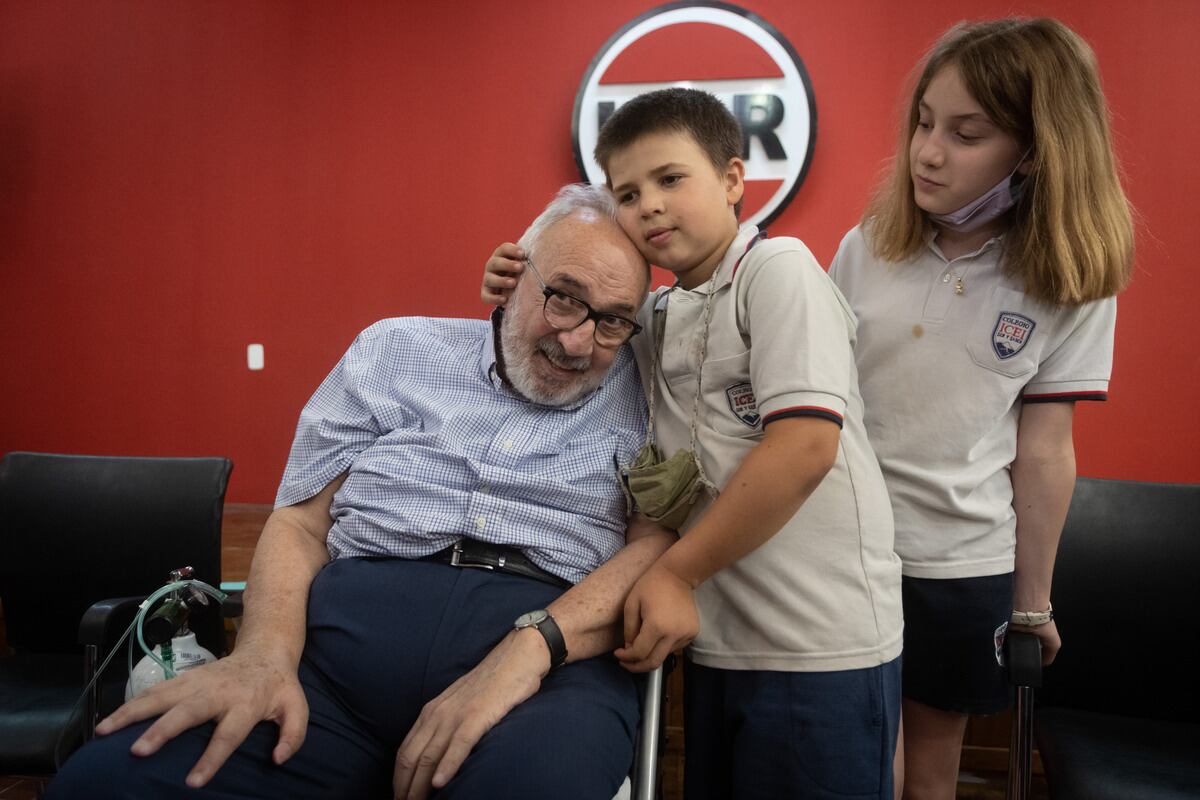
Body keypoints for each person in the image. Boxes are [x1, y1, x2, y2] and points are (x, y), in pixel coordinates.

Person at [47, 184, 678, 800]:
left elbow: (653, 548)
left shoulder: (651, 393)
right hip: (330, 677)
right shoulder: (394, 351)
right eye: (564, 299)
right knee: (105, 783)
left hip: (543, 675)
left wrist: (531, 647)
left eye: (611, 321)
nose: (576, 341)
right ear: (514, 274)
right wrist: (263, 656)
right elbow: (298, 524)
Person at [483, 89, 903, 800]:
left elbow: (804, 447)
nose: (647, 204)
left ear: (734, 180)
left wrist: (674, 574)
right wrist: (520, 281)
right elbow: (574, 319)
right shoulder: (656, 313)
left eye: (671, 179)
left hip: (815, 644)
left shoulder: (779, 271)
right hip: (716, 641)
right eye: (628, 191)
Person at [826, 18, 1133, 799]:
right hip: (846, 548)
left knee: (928, 771)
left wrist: (1032, 606)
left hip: (960, 565)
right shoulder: (867, 247)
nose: (928, 150)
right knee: (861, 762)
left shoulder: (1069, 282)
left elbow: (1044, 452)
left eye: (966, 134)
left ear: (1034, 150)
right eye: (924, 122)